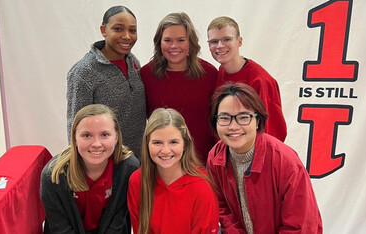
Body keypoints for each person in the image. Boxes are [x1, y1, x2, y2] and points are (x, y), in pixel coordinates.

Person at [207, 83, 322, 233]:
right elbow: (221, 206)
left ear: (258, 121)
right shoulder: (216, 157)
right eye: (224, 118)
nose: (233, 126)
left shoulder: (285, 162)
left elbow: (301, 225)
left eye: (243, 117)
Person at [40, 104, 139, 234]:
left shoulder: (128, 168)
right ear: (74, 138)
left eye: (104, 134)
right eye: (87, 135)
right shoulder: (53, 176)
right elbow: (60, 229)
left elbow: (117, 224)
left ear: (116, 137)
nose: (96, 144)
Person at [66, 5, 146, 159]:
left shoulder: (132, 61)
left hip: (138, 157)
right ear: (104, 30)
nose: (127, 36)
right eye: (118, 29)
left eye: (132, 30)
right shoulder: (83, 72)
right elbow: (75, 126)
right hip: (104, 161)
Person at [140, 12, 218, 165]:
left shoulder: (210, 74)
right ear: (159, 43)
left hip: (202, 160)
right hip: (163, 159)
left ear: (191, 42)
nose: (174, 46)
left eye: (181, 40)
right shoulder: (146, 74)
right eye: (167, 40)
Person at [127, 108, 219, 234]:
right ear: (147, 144)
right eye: (157, 142)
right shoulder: (137, 181)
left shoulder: (202, 188)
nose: (165, 150)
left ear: (185, 144)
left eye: (173, 142)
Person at [207, 16, 287, 142]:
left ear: (239, 41)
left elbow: (273, 133)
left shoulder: (261, 81)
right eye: (214, 41)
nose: (220, 46)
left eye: (227, 39)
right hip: (227, 154)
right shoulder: (220, 72)